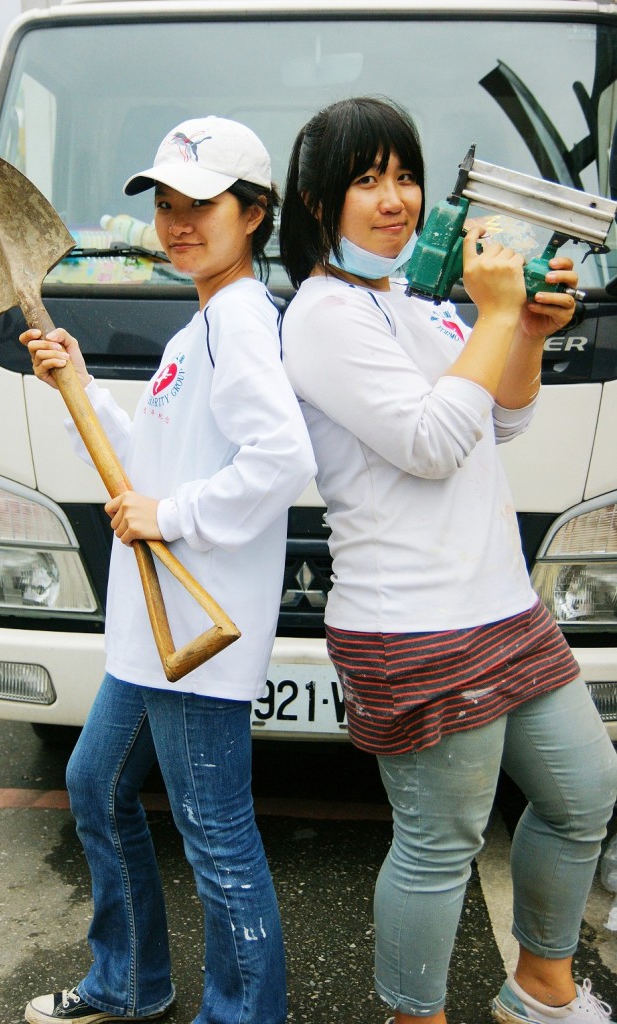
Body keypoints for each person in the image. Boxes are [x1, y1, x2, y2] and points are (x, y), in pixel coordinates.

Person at [279, 96, 617, 1024]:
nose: (393, 199)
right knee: (439, 842)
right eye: (364, 180)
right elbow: (430, 442)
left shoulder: (414, 307)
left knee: (584, 791)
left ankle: (540, 989)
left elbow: (498, 418)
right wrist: (495, 315)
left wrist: (524, 333)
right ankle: (412, 1017)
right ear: (316, 204)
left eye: (403, 175)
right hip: (411, 619)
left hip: (501, 605)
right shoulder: (321, 315)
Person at [20, 116, 315, 1024]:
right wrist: (78, 383)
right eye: (168, 205)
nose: (179, 222)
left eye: (203, 205)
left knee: (216, 834)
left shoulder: (237, 323)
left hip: (196, 635)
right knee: (94, 786)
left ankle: (244, 1016)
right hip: (151, 638)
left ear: (254, 213)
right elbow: (149, 463)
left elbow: (282, 460)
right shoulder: (201, 326)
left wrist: (173, 516)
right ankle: (130, 982)